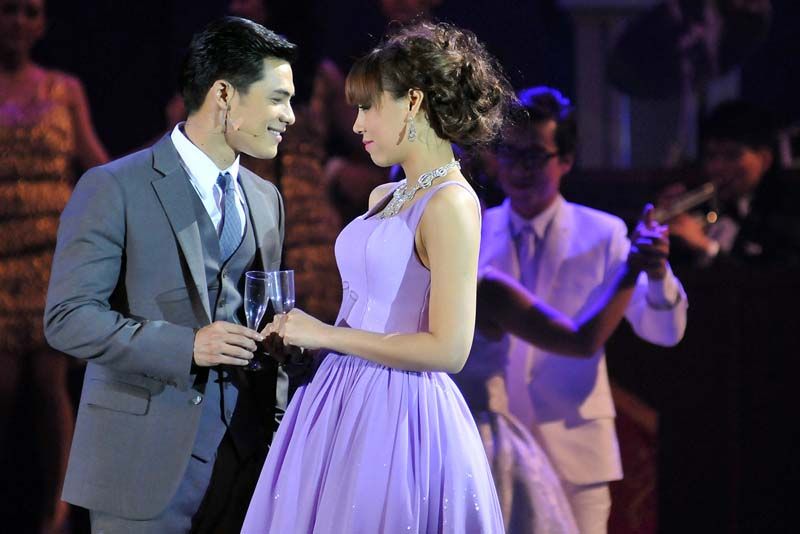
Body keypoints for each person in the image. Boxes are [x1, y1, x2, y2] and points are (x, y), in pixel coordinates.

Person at [241, 21, 512, 532]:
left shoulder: (451, 203)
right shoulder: (385, 195)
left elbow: (450, 350)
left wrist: (326, 334)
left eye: (368, 107)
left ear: (412, 103)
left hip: (400, 413)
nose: (356, 124)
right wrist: (309, 347)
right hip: (339, 393)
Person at [44, 17, 307, 532]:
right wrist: (186, 346)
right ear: (224, 94)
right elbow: (67, 319)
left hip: (247, 464)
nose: (290, 117)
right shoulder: (114, 186)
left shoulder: (266, 199)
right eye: (278, 99)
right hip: (142, 464)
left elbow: (266, 315)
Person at [474, 86, 688, 534]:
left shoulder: (604, 233)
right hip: (493, 450)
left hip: (576, 450)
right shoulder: (473, 231)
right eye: (509, 153)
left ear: (566, 160)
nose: (520, 169)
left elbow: (664, 332)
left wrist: (656, 274)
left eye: (535, 155)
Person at [454, 203, 669, 534]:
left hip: (497, 448)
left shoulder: (482, 289)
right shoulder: (394, 286)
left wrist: (634, 269)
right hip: (436, 445)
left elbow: (586, 340)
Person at [0, 0, 108, 531]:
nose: (19, 22)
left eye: (30, 12)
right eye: (9, 11)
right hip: (1, 263)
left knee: (50, 384)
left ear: (42, 23)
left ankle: (57, 512)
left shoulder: (64, 90)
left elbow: (97, 166)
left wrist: (167, 148)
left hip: (52, 261)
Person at [661, 99, 800, 266]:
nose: (717, 167)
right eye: (711, 156)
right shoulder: (707, 206)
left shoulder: (788, 210)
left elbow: (772, 274)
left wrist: (707, 248)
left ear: (764, 159)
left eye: (732, 155)